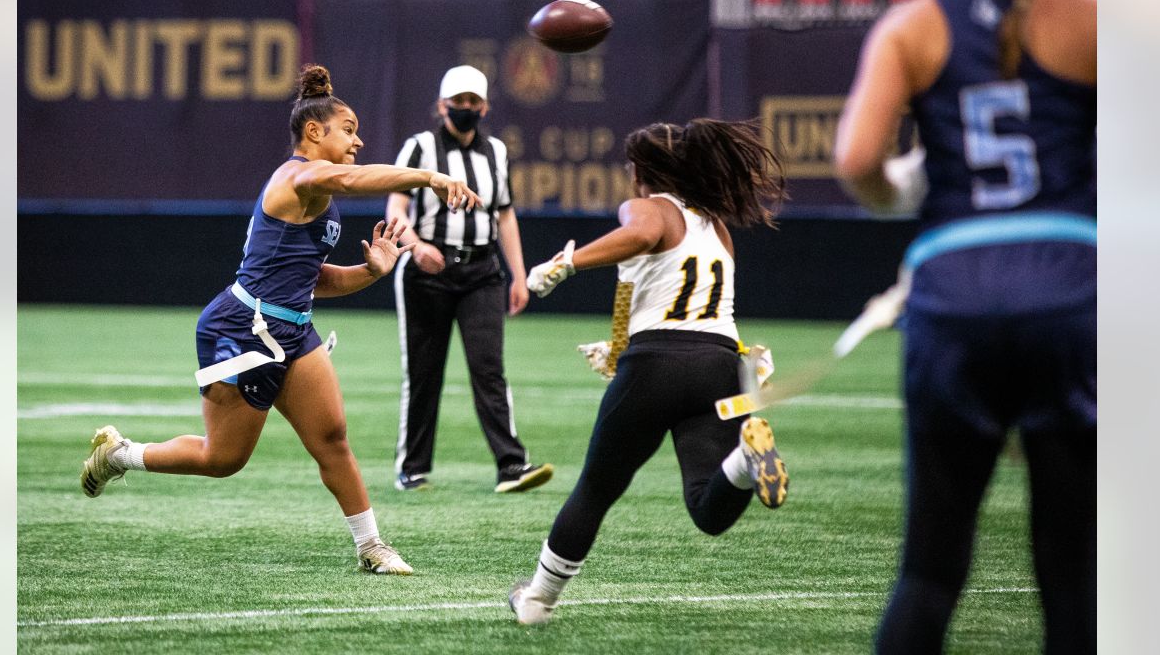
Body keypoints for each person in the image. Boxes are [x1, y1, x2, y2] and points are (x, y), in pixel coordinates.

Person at [79, 63, 482, 576]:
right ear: (314, 132)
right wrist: (429, 176)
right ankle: (121, 455)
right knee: (222, 460)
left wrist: (370, 271)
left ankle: (371, 546)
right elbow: (348, 177)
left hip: (292, 328)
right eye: (350, 130)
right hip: (241, 327)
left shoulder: (321, 198)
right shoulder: (299, 175)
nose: (357, 143)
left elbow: (315, 279)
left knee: (332, 438)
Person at [833, 0, 1096, 651]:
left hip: (954, 293)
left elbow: (857, 159)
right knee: (1075, 574)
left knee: (930, 569)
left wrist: (904, 191)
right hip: (1070, 293)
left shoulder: (912, 25)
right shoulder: (1092, 18)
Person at [507, 118, 791, 625]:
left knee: (596, 489)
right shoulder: (717, 226)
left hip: (659, 365)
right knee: (707, 507)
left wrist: (566, 264)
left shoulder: (649, 206)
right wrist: (617, 346)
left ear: (641, 170)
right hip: (721, 365)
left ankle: (538, 600)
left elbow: (641, 233)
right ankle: (745, 465)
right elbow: (661, 298)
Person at [384, 65, 553, 494]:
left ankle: (512, 466)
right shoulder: (420, 148)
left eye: (472, 102)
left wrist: (518, 273)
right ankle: (413, 467)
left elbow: (505, 212)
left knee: (489, 369)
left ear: (484, 106)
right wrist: (416, 246)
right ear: (441, 106)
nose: (465, 109)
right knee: (424, 371)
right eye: (457, 102)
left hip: (482, 271)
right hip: (427, 272)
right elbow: (396, 209)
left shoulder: (496, 150)